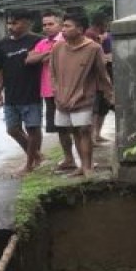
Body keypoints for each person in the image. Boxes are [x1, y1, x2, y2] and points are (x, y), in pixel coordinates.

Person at [50, 12, 115, 178]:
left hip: (83, 98)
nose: (63, 30)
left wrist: (110, 95)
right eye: (63, 26)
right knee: (72, 131)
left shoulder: (93, 48)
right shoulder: (57, 47)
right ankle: (79, 165)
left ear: (80, 29)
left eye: (67, 26)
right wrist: (57, 93)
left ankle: (87, 167)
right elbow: (53, 73)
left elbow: (102, 74)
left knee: (84, 130)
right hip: (61, 99)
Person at [0, 9, 45, 175]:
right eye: (9, 23)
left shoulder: (38, 41)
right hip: (11, 94)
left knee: (33, 129)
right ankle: (36, 155)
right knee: (12, 129)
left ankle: (30, 164)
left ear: (28, 22)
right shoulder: (1, 45)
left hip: (32, 92)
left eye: (15, 22)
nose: (10, 26)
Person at [25, 10, 77, 172]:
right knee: (60, 127)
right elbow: (29, 59)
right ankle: (69, 158)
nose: (46, 28)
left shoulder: (68, 40)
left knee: (77, 126)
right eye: (44, 25)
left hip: (68, 89)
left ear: (60, 25)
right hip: (49, 91)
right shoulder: (43, 43)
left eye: (50, 24)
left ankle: (82, 160)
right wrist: (48, 53)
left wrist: (46, 55)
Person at [84, 13, 114, 143]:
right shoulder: (90, 35)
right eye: (105, 25)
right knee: (95, 109)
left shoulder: (103, 36)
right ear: (100, 25)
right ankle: (92, 137)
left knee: (102, 108)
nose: (106, 28)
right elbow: (96, 55)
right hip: (95, 79)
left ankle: (96, 135)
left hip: (104, 77)